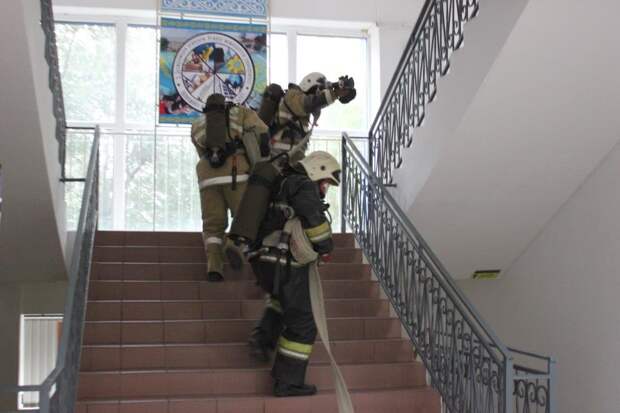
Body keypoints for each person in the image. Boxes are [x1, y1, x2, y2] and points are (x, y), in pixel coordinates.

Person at [246, 151, 341, 397]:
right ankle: (287, 382)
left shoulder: (283, 181)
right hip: (284, 262)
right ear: (317, 169)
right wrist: (326, 247)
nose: (325, 188)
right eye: (325, 182)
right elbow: (314, 221)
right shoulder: (303, 185)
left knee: (280, 302)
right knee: (303, 322)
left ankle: (262, 340)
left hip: (264, 259)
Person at [191, 93, 270, 281]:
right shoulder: (241, 112)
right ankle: (234, 246)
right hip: (236, 173)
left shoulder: (197, 124)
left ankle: (214, 266)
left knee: (213, 224)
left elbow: (201, 152)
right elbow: (262, 132)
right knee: (245, 217)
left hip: (207, 176)